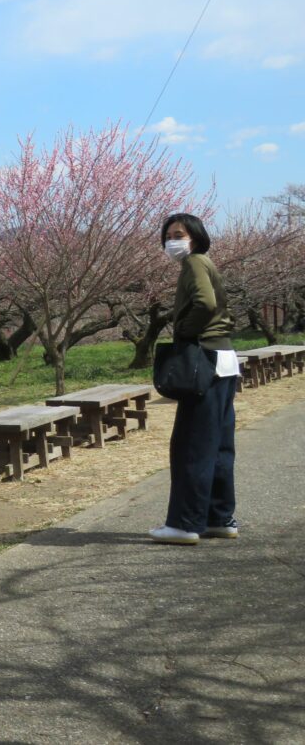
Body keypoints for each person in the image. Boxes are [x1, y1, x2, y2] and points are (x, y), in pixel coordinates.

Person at [150, 213, 240, 545]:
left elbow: (205, 302)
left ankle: (184, 524)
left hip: (205, 360)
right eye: (168, 235)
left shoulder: (194, 263)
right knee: (219, 446)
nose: (172, 241)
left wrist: (185, 332)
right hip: (224, 361)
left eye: (179, 234)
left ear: (196, 237)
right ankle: (219, 518)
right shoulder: (205, 262)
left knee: (191, 445)